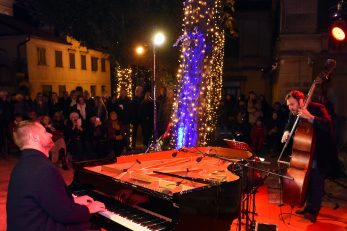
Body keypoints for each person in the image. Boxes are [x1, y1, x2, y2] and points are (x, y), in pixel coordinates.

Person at [7, 121, 106, 230]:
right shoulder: (43, 168)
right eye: (45, 132)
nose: (50, 134)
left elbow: (46, 200)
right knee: (88, 225)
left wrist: (72, 201)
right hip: (37, 226)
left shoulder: (24, 164)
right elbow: (64, 214)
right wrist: (88, 209)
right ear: (35, 137)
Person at [281, 90, 336, 222]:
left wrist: (310, 117)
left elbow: (328, 126)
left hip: (318, 151)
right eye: (288, 105)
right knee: (306, 180)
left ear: (301, 101)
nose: (290, 108)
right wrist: (287, 131)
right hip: (303, 151)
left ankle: (313, 210)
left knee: (316, 181)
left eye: (292, 104)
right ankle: (307, 206)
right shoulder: (294, 112)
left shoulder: (318, 108)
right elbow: (289, 123)